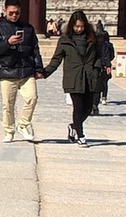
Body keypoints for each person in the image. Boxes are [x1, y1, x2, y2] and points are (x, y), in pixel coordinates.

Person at [41, 9, 112, 146]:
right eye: (76, 26)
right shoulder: (65, 40)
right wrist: (45, 73)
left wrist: (98, 67)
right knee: (78, 107)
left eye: (81, 26)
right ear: (72, 26)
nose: (79, 29)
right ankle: (81, 135)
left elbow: (99, 55)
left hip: (90, 76)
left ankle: (74, 126)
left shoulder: (93, 38)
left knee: (88, 108)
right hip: (73, 77)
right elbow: (57, 59)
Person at [0, 0, 43, 143]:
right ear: (5, 11)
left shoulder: (28, 29)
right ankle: (9, 130)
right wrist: (7, 42)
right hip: (7, 70)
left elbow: (35, 50)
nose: (14, 15)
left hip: (26, 70)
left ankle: (23, 124)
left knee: (32, 98)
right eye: (11, 13)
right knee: (8, 104)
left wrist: (39, 68)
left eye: (17, 13)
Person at [92, 20, 115, 113]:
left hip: (95, 65)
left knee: (95, 86)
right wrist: (107, 64)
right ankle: (95, 103)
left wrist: (107, 64)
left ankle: (93, 104)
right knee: (99, 85)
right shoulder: (105, 43)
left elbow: (104, 52)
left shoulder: (97, 39)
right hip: (96, 65)